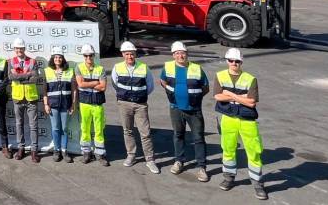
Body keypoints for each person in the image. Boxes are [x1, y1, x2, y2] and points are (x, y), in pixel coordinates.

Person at [214, 48, 267, 200]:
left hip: (247, 120)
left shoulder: (250, 79)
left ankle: (257, 183)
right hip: (228, 118)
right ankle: (229, 177)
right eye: (231, 60)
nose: (234, 63)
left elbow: (251, 102)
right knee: (228, 149)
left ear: (241, 62)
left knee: (254, 151)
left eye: (237, 61)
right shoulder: (220, 76)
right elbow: (217, 96)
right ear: (227, 61)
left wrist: (230, 95)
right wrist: (240, 97)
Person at [159, 41, 210, 182]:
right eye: (177, 53)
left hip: (194, 110)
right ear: (173, 55)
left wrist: (193, 99)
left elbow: (205, 88)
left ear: (187, 54)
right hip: (175, 109)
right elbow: (163, 81)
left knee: (199, 138)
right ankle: (179, 161)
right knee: (178, 135)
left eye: (183, 53)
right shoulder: (167, 67)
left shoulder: (197, 69)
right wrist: (174, 95)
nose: (180, 55)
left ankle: (202, 167)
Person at [112, 41, 159, 174]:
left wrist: (139, 96)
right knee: (128, 130)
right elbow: (115, 84)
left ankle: (149, 160)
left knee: (145, 133)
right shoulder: (117, 67)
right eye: (127, 54)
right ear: (123, 54)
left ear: (135, 54)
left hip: (140, 105)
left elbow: (150, 86)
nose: (129, 56)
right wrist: (125, 95)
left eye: (131, 54)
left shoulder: (144, 67)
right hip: (124, 104)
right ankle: (131, 155)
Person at [75, 44, 109, 166]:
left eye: (90, 55)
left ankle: (100, 154)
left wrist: (88, 83)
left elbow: (103, 87)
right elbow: (80, 84)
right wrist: (95, 82)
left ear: (94, 55)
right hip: (85, 103)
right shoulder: (79, 68)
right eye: (86, 55)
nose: (88, 57)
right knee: (85, 128)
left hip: (97, 103)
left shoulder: (100, 69)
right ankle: (86, 153)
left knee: (99, 129)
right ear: (83, 56)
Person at [9, 38, 41, 163]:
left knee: (33, 126)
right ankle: (21, 148)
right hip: (17, 97)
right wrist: (27, 74)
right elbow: (11, 77)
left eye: (21, 48)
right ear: (14, 49)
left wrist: (20, 76)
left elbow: (35, 78)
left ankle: (34, 151)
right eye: (17, 48)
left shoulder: (33, 61)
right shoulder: (11, 61)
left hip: (31, 98)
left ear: (24, 49)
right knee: (19, 124)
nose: (19, 50)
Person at [43, 51, 77, 163]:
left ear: (63, 59)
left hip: (66, 105)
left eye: (60, 57)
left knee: (65, 129)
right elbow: (44, 90)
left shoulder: (70, 71)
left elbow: (74, 89)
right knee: (56, 128)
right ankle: (56, 151)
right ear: (53, 59)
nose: (57, 59)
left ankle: (64, 151)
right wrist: (46, 104)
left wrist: (73, 103)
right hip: (53, 105)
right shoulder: (47, 71)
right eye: (55, 57)